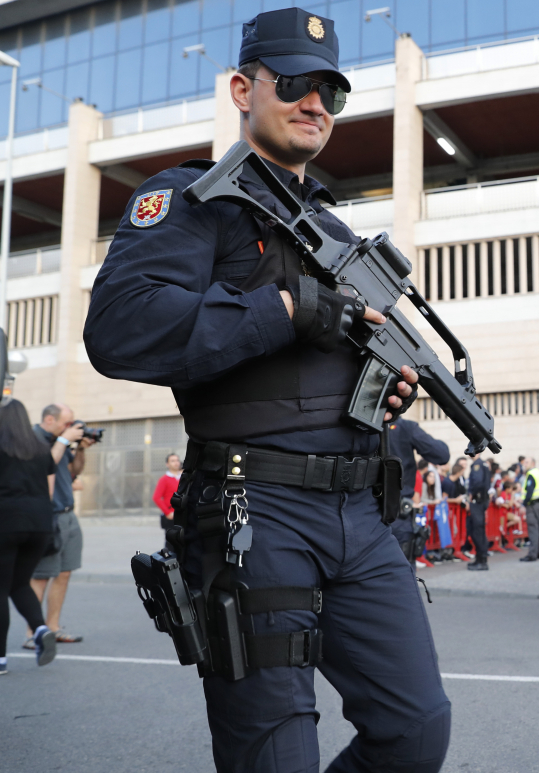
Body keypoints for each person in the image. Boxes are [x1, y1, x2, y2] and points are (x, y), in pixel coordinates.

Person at [82, 9, 450, 771]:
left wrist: (382, 389)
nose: (316, 102)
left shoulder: (342, 238)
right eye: (297, 84)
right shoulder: (191, 199)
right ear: (243, 89)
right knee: (276, 757)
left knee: (417, 730)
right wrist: (287, 308)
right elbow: (118, 330)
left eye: (332, 92)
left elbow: (326, 360)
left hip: (358, 511)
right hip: (255, 509)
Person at [27, 403, 93, 647]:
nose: (71, 427)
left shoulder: (60, 440)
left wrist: (81, 450)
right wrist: (64, 440)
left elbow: (73, 471)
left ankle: (53, 628)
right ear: (49, 420)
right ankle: (32, 633)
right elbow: (42, 468)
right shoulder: (34, 439)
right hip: (48, 516)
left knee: (64, 573)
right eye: (67, 423)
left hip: (68, 515)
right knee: (42, 575)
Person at [0, 399, 58, 674]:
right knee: (19, 584)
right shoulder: (40, 449)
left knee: (1, 588)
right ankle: (41, 629)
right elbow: (49, 482)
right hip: (40, 524)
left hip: (7, 522)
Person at [385, 418, 450, 561]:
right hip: (397, 513)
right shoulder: (405, 427)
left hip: (363, 512)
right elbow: (441, 454)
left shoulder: (361, 423)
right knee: (402, 572)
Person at [466, 453, 491, 570]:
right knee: (479, 531)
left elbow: (477, 482)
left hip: (477, 501)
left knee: (477, 531)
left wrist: (471, 494)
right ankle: (480, 559)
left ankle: (481, 561)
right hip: (482, 500)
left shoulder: (477, 465)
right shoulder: (484, 464)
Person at [153, 453, 184, 549]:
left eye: (177, 460)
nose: (176, 463)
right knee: (171, 542)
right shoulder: (164, 479)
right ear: (167, 464)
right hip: (172, 516)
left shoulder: (184, 478)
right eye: (172, 461)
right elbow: (156, 497)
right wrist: (167, 512)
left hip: (184, 514)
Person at [519, 457, 539, 562]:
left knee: (533, 529)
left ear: (533, 463)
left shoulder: (531, 474)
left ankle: (532, 554)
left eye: (527, 462)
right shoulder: (538, 473)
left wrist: (524, 504)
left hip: (532, 504)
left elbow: (529, 491)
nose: (524, 464)